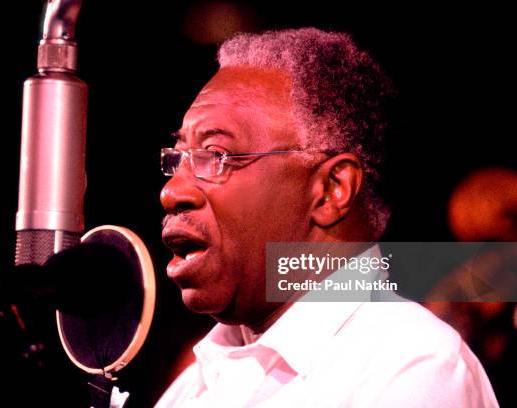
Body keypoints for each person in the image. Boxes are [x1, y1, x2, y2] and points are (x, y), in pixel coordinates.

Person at [155, 27, 498, 407]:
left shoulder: (413, 367)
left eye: (216, 155)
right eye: (178, 158)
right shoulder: (195, 386)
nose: (172, 191)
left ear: (332, 189)